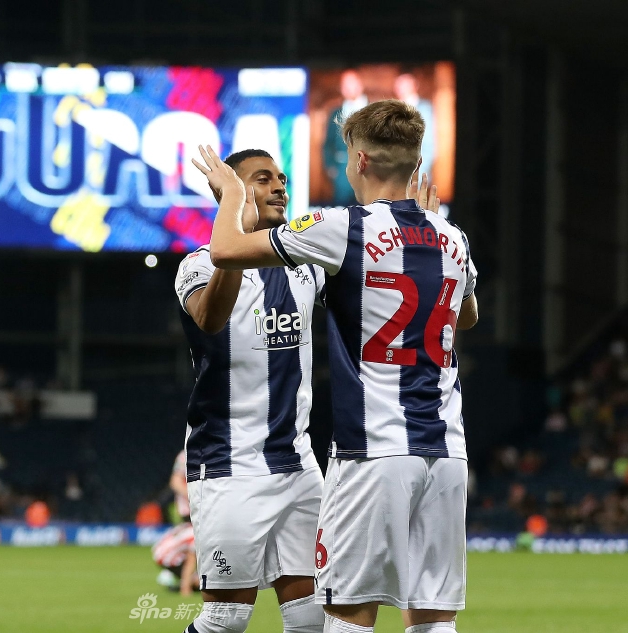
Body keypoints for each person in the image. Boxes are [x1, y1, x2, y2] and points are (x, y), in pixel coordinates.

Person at [192, 99, 478, 633]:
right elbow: (467, 315)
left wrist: (231, 192)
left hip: (374, 451)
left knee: (348, 613)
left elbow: (226, 249)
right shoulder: (451, 237)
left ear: (360, 161)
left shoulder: (339, 227)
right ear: (417, 163)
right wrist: (425, 239)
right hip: (447, 453)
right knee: (434, 618)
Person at [174, 149, 326, 633]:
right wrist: (234, 221)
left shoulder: (306, 266)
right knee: (226, 620)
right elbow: (210, 318)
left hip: (299, 465)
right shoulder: (197, 266)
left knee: (313, 618)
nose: (280, 186)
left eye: (282, 178)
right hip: (229, 466)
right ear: (232, 191)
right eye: (263, 179)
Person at [323, 71, 368, 205]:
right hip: (342, 174)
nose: (348, 88)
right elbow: (328, 143)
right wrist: (332, 168)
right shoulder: (335, 113)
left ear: (360, 84)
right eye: (345, 85)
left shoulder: (374, 110)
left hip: (368, 173)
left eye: (352, 84)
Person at [394, 74, 436, 183]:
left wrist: (417, 176)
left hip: (416, 176)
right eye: (398, 85)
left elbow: (429, 147)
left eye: (405, 85)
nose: (400, 89)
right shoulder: (393, 110)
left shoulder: (425, 109)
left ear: (414, 85)